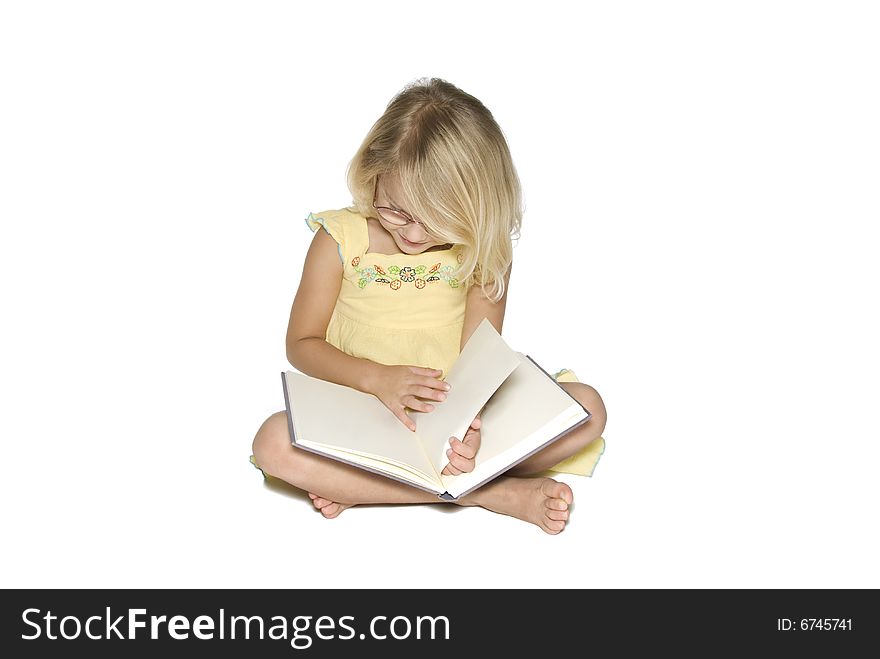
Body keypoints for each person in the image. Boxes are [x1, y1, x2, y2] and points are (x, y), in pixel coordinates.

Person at [251, 77, 606, 534]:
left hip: (452, 412)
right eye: (397, 210)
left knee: (587, 408)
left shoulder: (481, 249)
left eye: (438, 219)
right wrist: (377, 379)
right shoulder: (338, 240)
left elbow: (478, 363)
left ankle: (374, 488)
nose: (415, 234)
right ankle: (491, 493)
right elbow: (301, 344)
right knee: (274, 443)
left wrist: (469, 430)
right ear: (373, 172)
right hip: (363, 413)